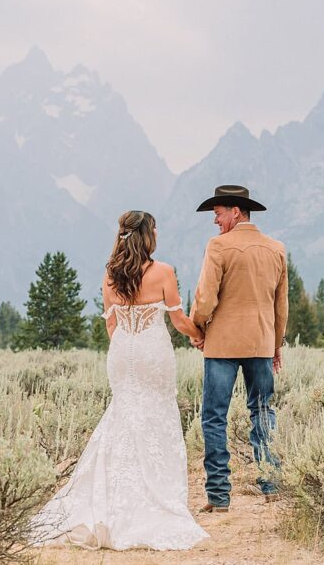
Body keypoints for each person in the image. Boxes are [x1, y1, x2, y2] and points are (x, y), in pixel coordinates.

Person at [31, 210, 209, 551]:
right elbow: (180, 321)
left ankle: (110, 494)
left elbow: (111, 325)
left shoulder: (111, 276)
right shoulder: (163, 272)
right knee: (155, 416)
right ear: (147, 234)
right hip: (152, 353)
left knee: (124, 416)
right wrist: (199, 336)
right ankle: (154, 494)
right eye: (155, 228)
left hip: (123, 352)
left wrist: (126, 348)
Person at [191, 185, 288, 513]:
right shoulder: (276, 248)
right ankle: (270, 483)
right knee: (262, 411)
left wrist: (198, 328)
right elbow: (281, 306)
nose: (215, 221)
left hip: (222, 345)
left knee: (214, 416)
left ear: (236, 211)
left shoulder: (219, 246)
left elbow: (205, 298)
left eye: (217, 214)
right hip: (261, 343)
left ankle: (219, 496)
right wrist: (276, 345)